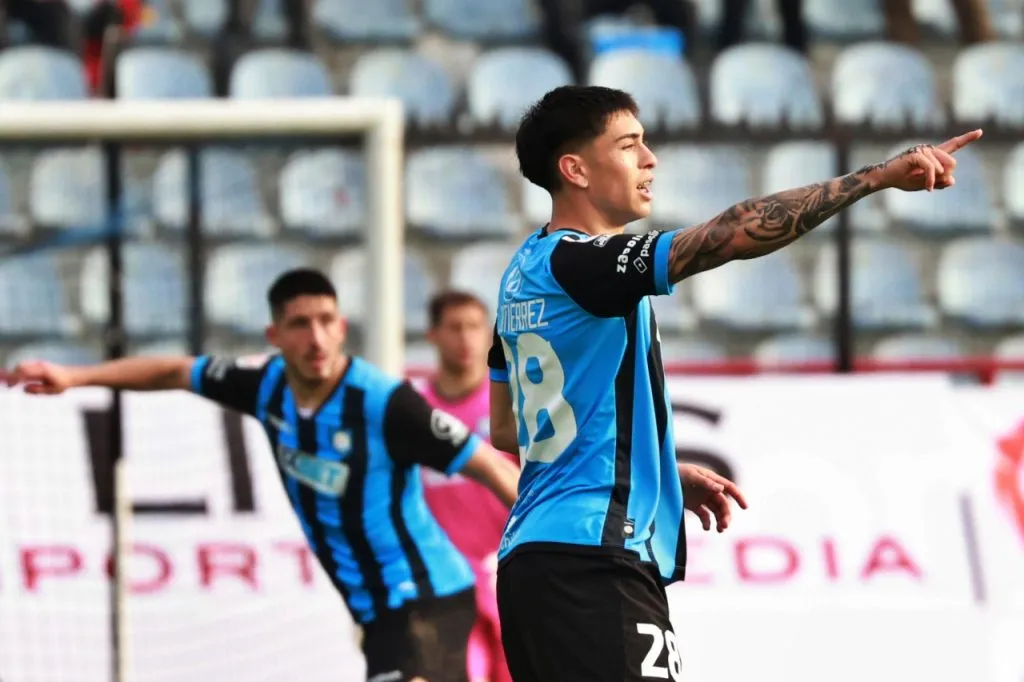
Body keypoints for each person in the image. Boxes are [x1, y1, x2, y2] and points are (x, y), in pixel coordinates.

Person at [489, 84, 982, 682]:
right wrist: (874, 179)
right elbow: (732, 233)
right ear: (575, 169)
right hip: (595, 561)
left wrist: (656, 469)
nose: (650, 160)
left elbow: (508, 426)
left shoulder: (523, 275)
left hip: (533, 564)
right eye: (629, 146)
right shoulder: (587, 264)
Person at [3, 268, 520, 682]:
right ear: (274, 334)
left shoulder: (385, 403)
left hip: (423, 594)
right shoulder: (263, 385)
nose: (316, 337)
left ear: (342, 327)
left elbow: (493, 466)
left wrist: (556, 547)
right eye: (300, 324)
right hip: (375, 607)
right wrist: (75, 376)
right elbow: (172, 371)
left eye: (326, 320)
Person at [415, 291, 516, 682]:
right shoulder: (413, 411)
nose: (466, 339)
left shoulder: (513, 409)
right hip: (442, 583)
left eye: (475, 327)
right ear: (433, 335)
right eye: (455, 327)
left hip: (511, 579)